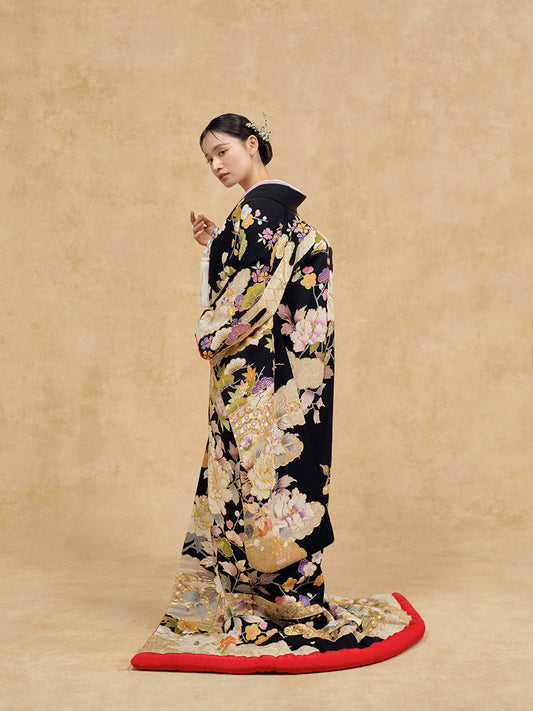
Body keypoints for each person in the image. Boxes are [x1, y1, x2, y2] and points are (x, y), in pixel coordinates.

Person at [130, 113, 424, 673]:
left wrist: (210, 331)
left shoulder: (258, 211)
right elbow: (271, 279)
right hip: (298, 375)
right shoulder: (280, 213)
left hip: (259, 375)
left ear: (253, 144)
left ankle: (263, 598)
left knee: (256, 478)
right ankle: (292, 593)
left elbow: (248, 296)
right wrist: (219, 245)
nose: (216, 165)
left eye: (223, 151)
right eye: (208, 159)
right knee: (292, 478)